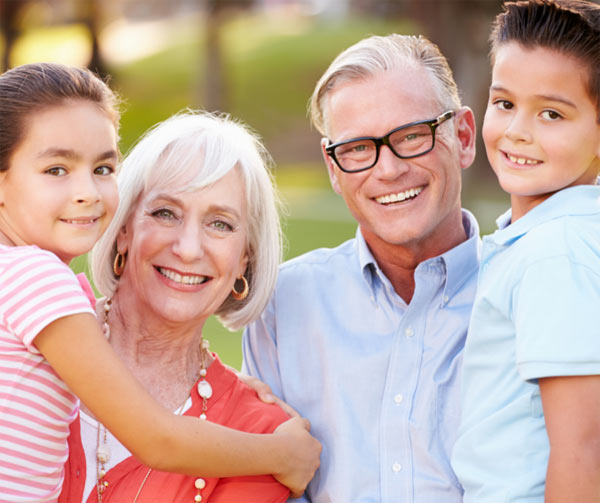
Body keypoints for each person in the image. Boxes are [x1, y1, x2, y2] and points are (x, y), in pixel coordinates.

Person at [0, 63, 320, 503]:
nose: (188, 248)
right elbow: (157, 439)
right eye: (165, 213)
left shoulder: (250, 422)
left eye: (221, 224)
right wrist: (281, 454)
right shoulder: (43, 294)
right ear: (124, 227)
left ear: (246, 257)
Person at [243, 34, 478, 501]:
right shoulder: (282, 306)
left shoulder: (527, 294)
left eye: (411, 136)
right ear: (333, 169)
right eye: (357, 149)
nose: (387, 170)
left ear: (464, 137)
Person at [451, 1, 600, 501]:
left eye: (551, 113)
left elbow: (584, 447)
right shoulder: (548, 237)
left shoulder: (555, 252)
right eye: (505, 103)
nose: (517, 130)